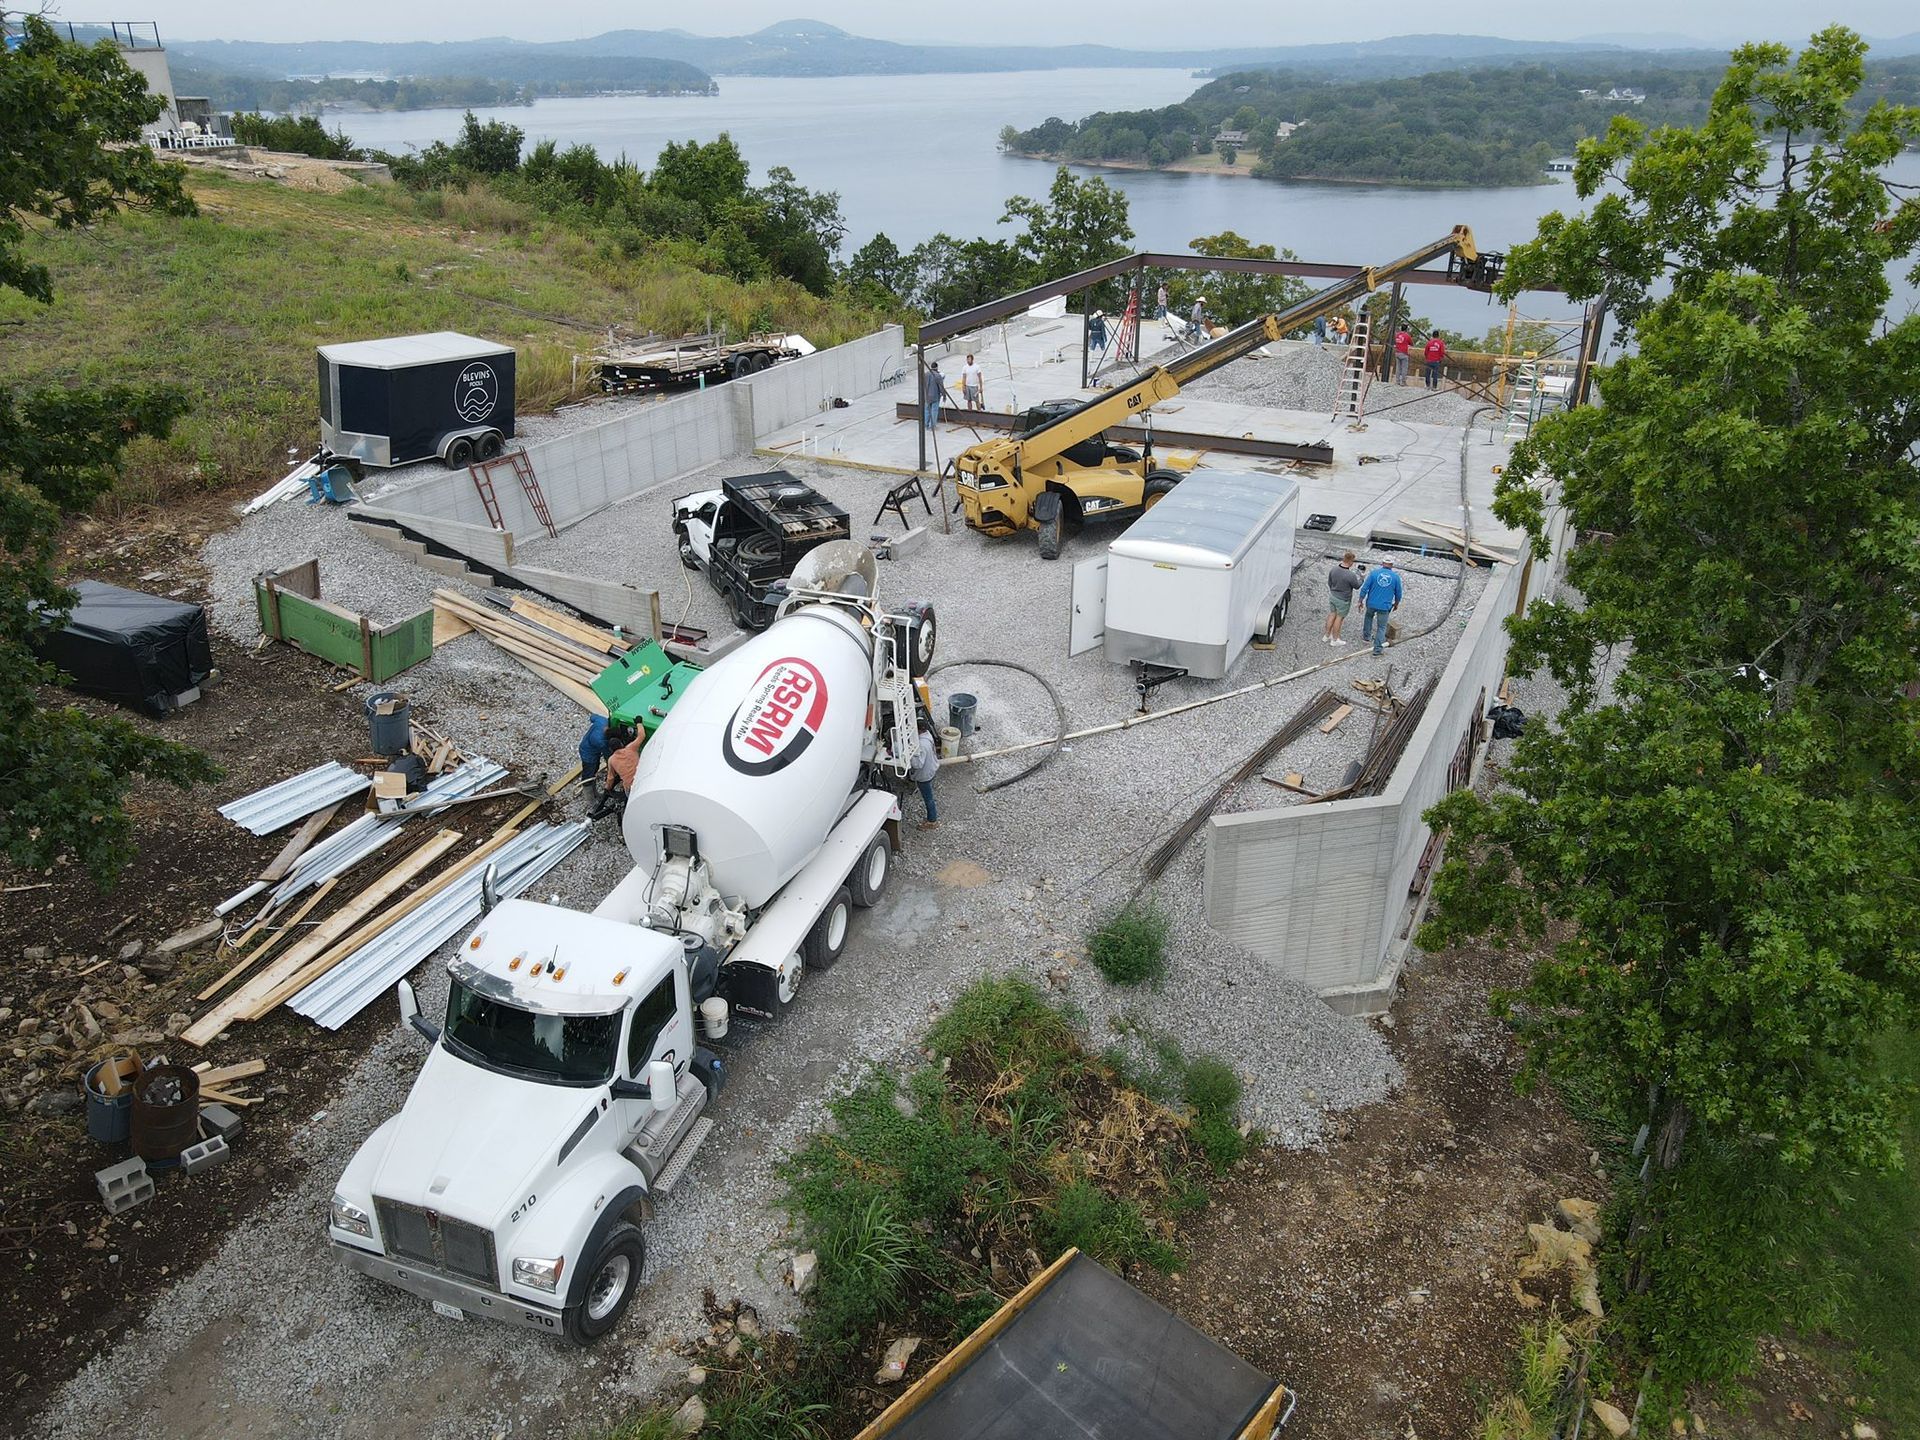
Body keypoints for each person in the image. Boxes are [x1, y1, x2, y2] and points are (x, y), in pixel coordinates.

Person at [1358, 556, 1403, 656]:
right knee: (1381, 627)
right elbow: (1398, 593)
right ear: (1392, 565)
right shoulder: (1395, 577)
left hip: (1371, 603)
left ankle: (1366, 637)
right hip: (1384, 606)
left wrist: (1360, 600)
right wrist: (1396, 604)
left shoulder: (1373, 574)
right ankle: (1377, 650)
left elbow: (1364, 588)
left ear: (1382, 563)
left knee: (1368, 617)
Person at [1324, 551, 1361, 645]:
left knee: (1332, 614)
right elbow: (1357, 586)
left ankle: (1327, 636)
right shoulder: (1350, 575)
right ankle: (1335, 639)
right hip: (1343, 600)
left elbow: (1329, 583)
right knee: (1339, 618)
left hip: (1333, 596)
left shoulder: (1333, 569)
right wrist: (1362, 579)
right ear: (1350, 561)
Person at [909, 722, 940, 829]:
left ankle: (932, 821)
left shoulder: (921, 744)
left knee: (928, 798)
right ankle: (932, 819)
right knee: (929, 795)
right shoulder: (928, 735)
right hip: (932, 768)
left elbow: (918, 764)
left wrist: (909, 755)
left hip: (924, 775)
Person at [923, 359, 948, 431]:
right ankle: (932, 426)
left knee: (927, 410)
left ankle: (926, 424)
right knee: (934, 411)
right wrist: (944, 396)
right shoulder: (938, 376)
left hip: (927, 396)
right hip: (935, 396)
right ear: (937, 367)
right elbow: (941, 387)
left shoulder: (926, 374)